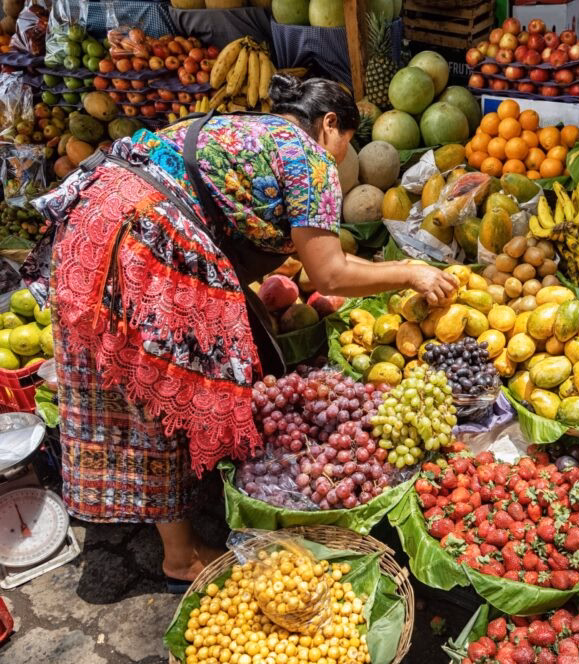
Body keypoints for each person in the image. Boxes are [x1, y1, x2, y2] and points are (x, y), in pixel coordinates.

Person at [23, 74, 457, 587]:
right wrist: (411, 271)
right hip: (142, 241)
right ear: (330, 124)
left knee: (125, 389)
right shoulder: (309, 156)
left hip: (92, 223)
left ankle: (152, 509)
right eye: (347, 142)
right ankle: (180, 556)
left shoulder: (246, 129)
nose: (345, 156)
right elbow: (330, 274)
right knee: (167, 391)